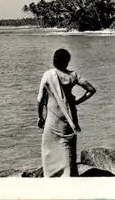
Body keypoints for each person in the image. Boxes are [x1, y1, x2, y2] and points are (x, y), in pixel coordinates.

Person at [37, 49, 96, 177]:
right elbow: (91, 90)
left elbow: (41, 99)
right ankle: (69, 176)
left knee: (50, 149)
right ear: (67, 61)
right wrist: (77, 102)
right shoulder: (73, 76)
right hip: (69, 117)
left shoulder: (48, 75)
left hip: (53, 117)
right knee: (67, 147)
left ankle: (52, 176)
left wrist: (40, 117)